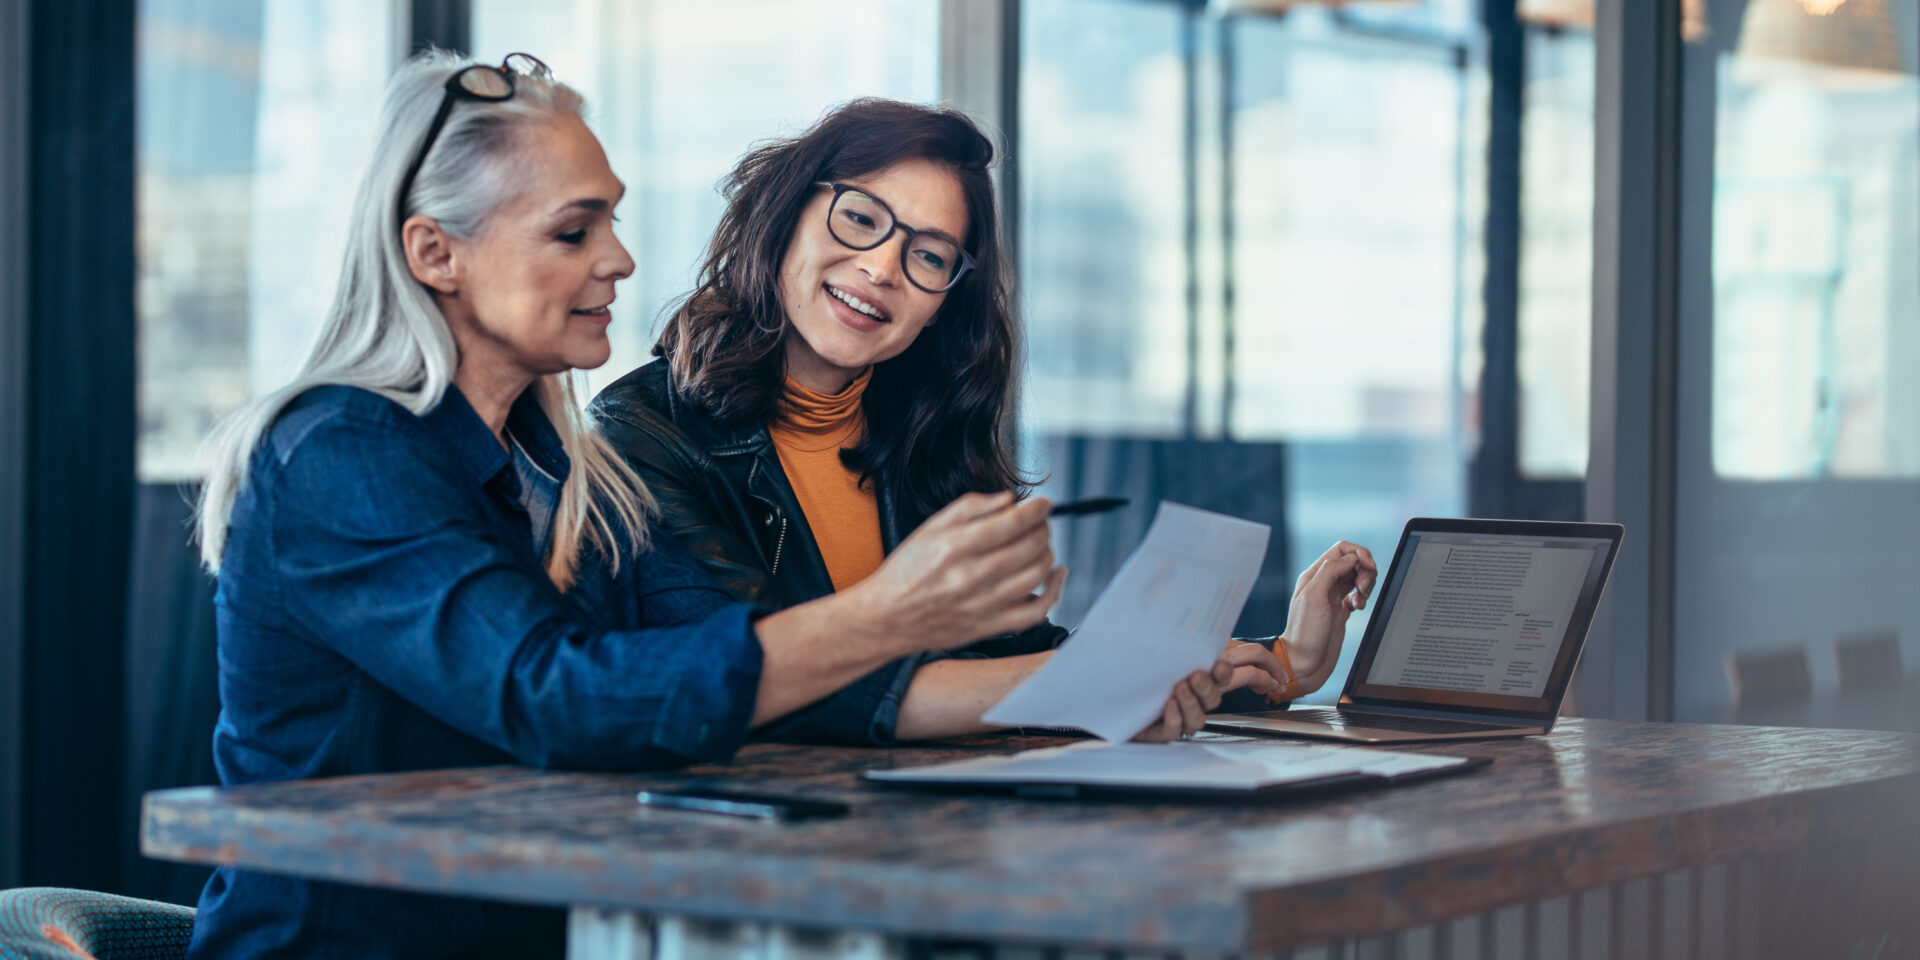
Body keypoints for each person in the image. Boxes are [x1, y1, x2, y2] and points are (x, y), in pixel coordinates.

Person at [187, 55, 1242, 960]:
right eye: (574, 230)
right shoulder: (339, 454)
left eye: (614, 218)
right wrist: (892, 614)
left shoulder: (560, 468)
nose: (621, 259)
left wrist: (1113, 686)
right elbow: (555, 697)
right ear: (434, 254)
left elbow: (744, 671)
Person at [591, 99, 1378, 727]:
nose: (881, 268)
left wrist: (1282, 663)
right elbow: (765, 680)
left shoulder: (924, 438)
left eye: (928, 255)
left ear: (943, 303)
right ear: (785, 214)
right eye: (861, 218)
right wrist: (1091, 685)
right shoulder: (640, 434)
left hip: (938, 840)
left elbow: (1015, 659)